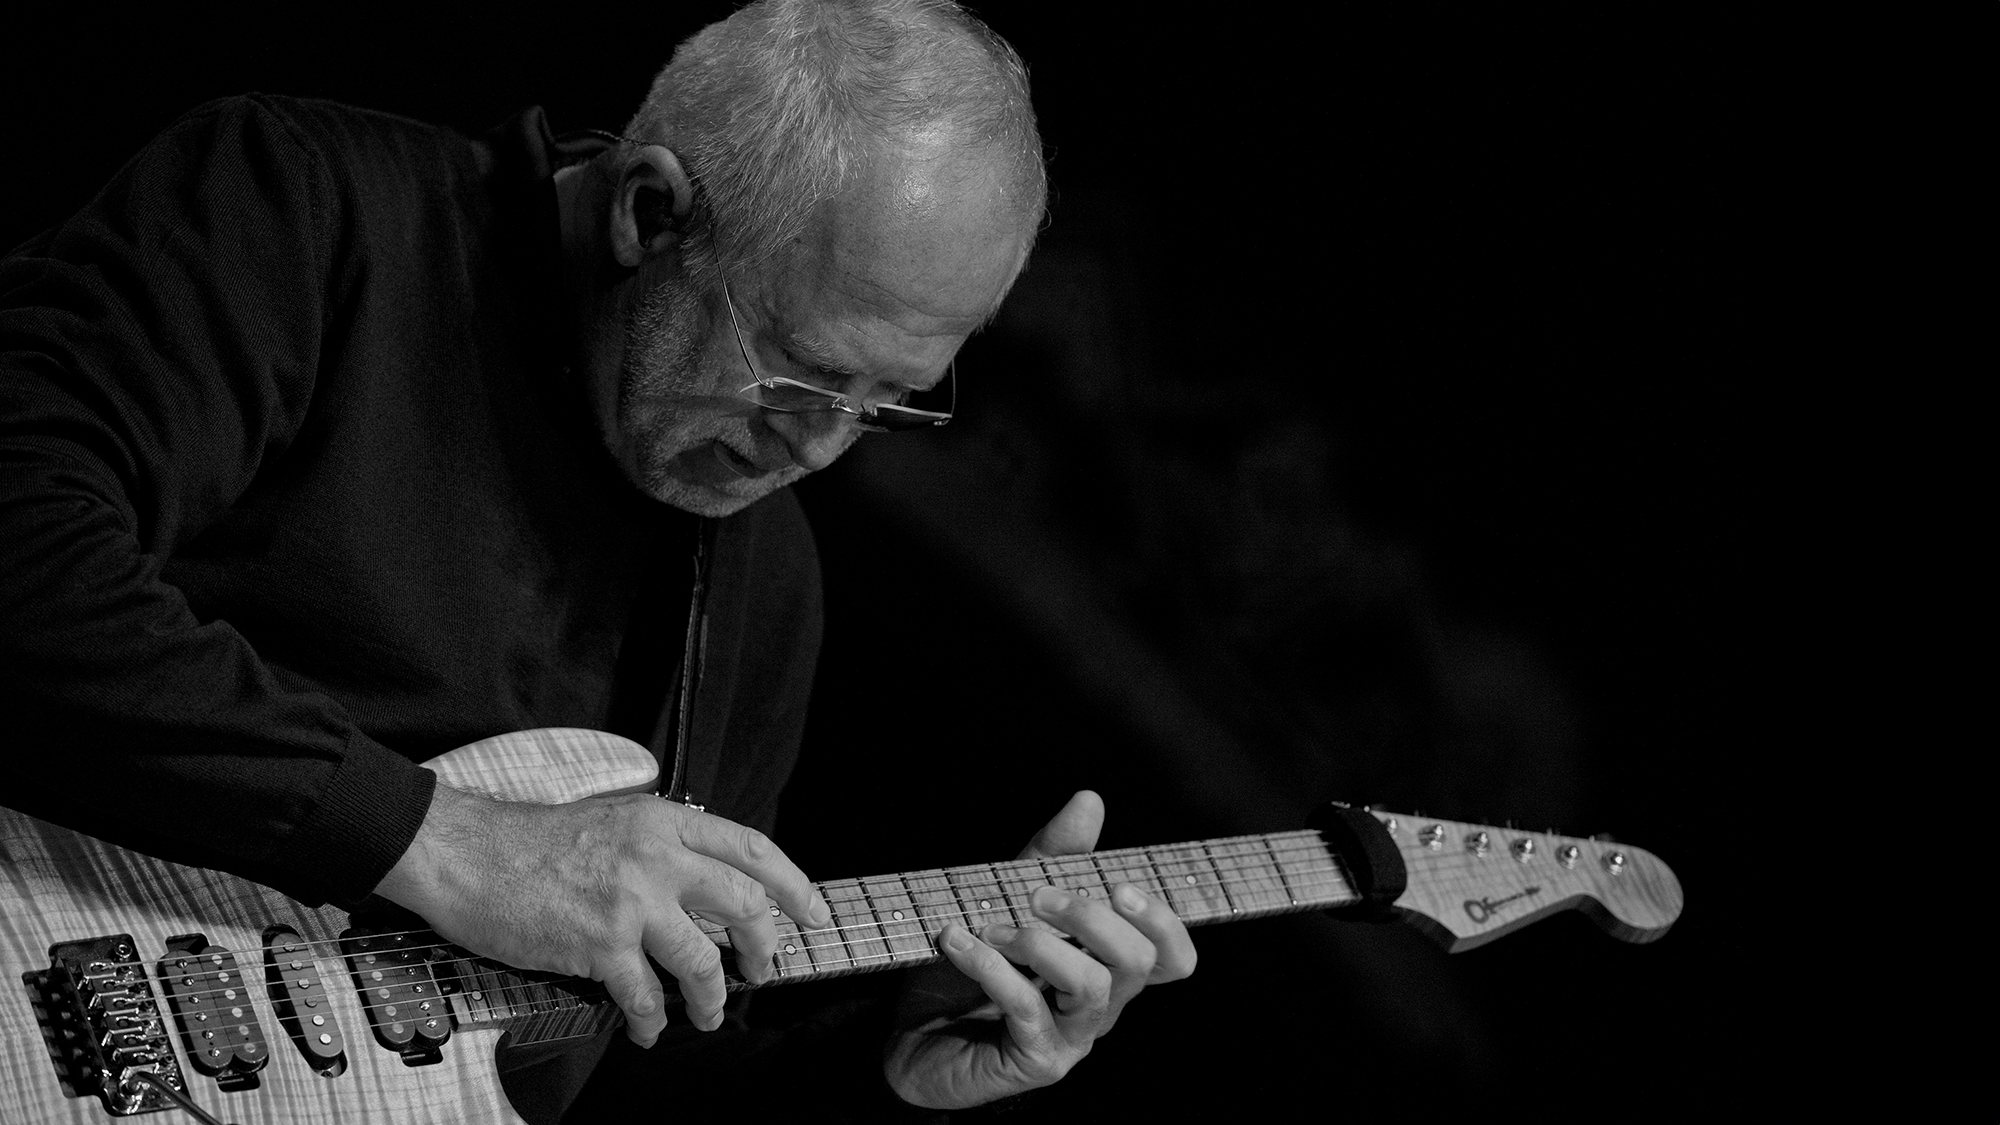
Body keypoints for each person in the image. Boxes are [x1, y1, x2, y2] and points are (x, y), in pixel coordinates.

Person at [0, 0, 1194, 1118]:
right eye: (801, 372)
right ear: (648, 213)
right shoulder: (310, 207)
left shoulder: (765, 590)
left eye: (891, 402)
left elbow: (633, 1066)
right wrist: (451, 846)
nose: (821, 445)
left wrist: (890, 1062)